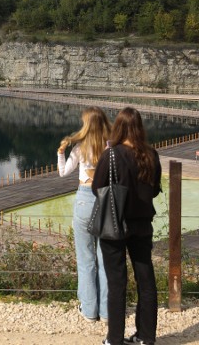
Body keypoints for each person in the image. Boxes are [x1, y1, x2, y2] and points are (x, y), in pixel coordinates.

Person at [92, 107, 162, 345]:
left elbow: (97, 189)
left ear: (118, 127)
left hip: (114, 224)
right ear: (140, 127)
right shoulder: (151, 154)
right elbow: (153, 190)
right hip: (142, 225)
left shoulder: (111, 155)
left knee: (117, 282)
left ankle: (114, 339)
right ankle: (146, 336)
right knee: (146, 279)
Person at [57, 107, 112, 323]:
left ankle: (89, 310)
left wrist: (61, 153)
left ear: (86, 125)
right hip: (106, 199)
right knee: (105, 257)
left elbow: (63, 172)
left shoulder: (80, 148)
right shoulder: (111, 148)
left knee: (86, 258)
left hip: (84, 199)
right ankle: (108, 312)